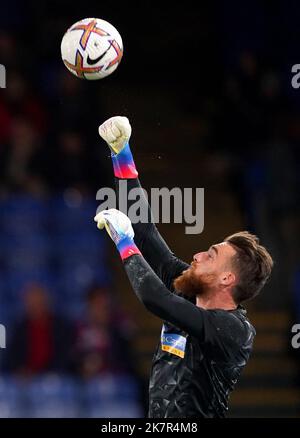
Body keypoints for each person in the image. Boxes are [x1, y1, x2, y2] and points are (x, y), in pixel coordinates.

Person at [94, 116, 274, 418]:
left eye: (212, 254)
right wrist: (122, 153)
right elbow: (147, 233)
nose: (199, 255)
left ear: (227, 278)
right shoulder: (191, 291)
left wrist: (125, 243)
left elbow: (155, 299)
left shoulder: (233, 329)